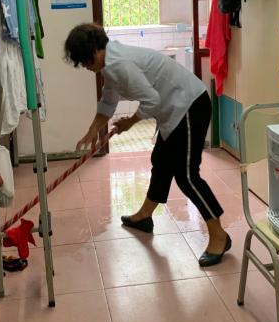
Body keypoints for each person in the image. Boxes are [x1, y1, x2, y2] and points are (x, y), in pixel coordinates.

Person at [64, 23, 231, 267]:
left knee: (187, 176)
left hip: (189, 105)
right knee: (161, 161)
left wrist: (130, 122)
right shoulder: (110, 63)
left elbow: (152, 100)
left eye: (85, 61)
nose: (86, 67)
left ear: (94, 50)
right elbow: (108, 101)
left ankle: (219, 236)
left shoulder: (118, 64)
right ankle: (144, 216)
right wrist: (92, 131)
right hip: (173, 110)